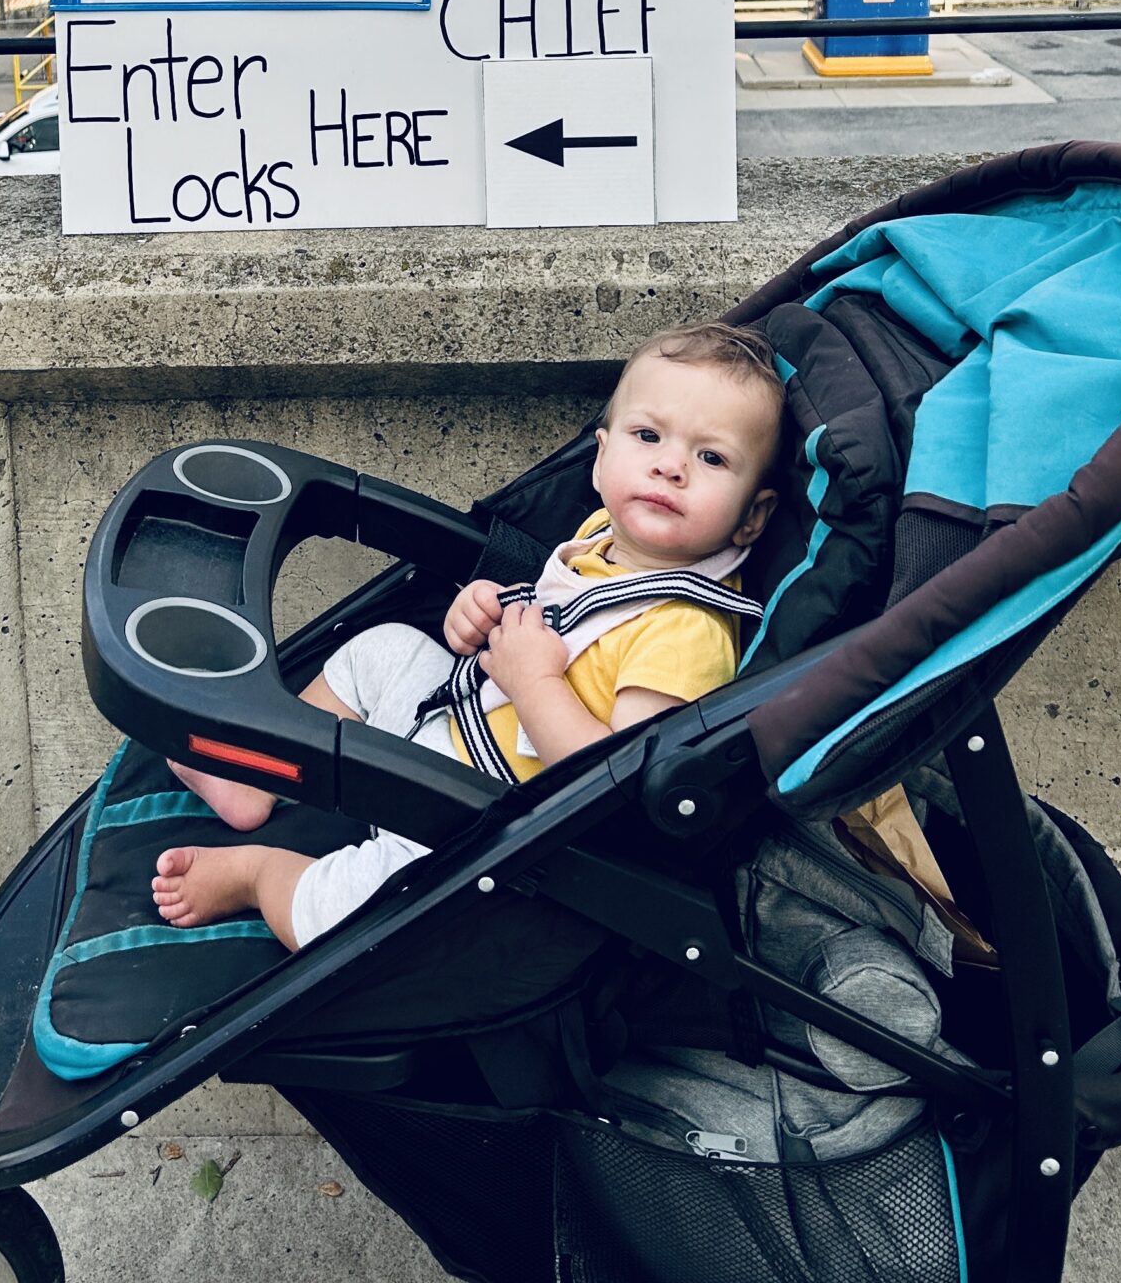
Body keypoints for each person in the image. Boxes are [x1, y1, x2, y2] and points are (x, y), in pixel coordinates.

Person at [152, 321, 785, 952]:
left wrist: (532, 680)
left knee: (339, 916)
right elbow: (557, 624)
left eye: (711, 458)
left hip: (480, 815)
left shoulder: (685, 633)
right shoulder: (600, 538)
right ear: (600, 459)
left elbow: (613, 791)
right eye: (647, 436)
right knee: (385, 648)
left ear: (753, 517)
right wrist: (482, 616)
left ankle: (260, 876)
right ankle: (255, 779)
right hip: (455, 721)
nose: (670, 465)